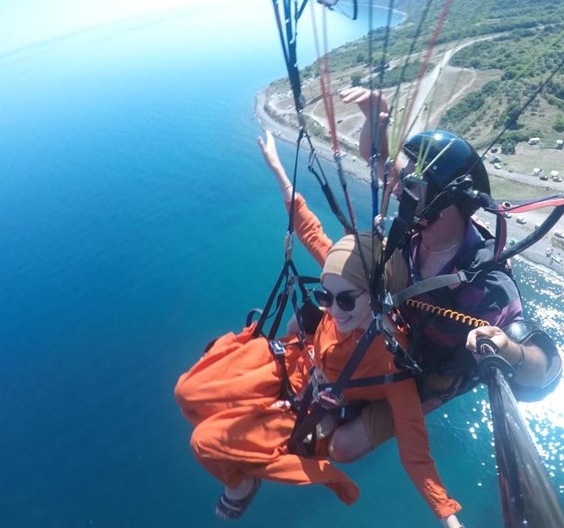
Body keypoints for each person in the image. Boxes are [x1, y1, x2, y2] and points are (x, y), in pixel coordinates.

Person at [174, 136, 464, 526]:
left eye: (346, 301)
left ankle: (241, 485)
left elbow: (416, 451)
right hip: (291, 359)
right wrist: (278, 169)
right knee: (188, 392)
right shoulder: (344, 272)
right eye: (324, 296)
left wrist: (447, 515)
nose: (332, 307)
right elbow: (308, 228)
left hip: (312, 400)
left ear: (375, 300)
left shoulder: (389, 361)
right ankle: (247, 433)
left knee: (205, 442)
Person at [327, 87, 563, 462]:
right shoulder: (417, 224)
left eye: (408, 186)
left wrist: (510, 350)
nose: (394, 187)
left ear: (443, 200)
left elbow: (544, 367)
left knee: (343, 445)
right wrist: (378, 118)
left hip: (432, 371)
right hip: (397, 333)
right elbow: (375, 157)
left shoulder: (485, 287)